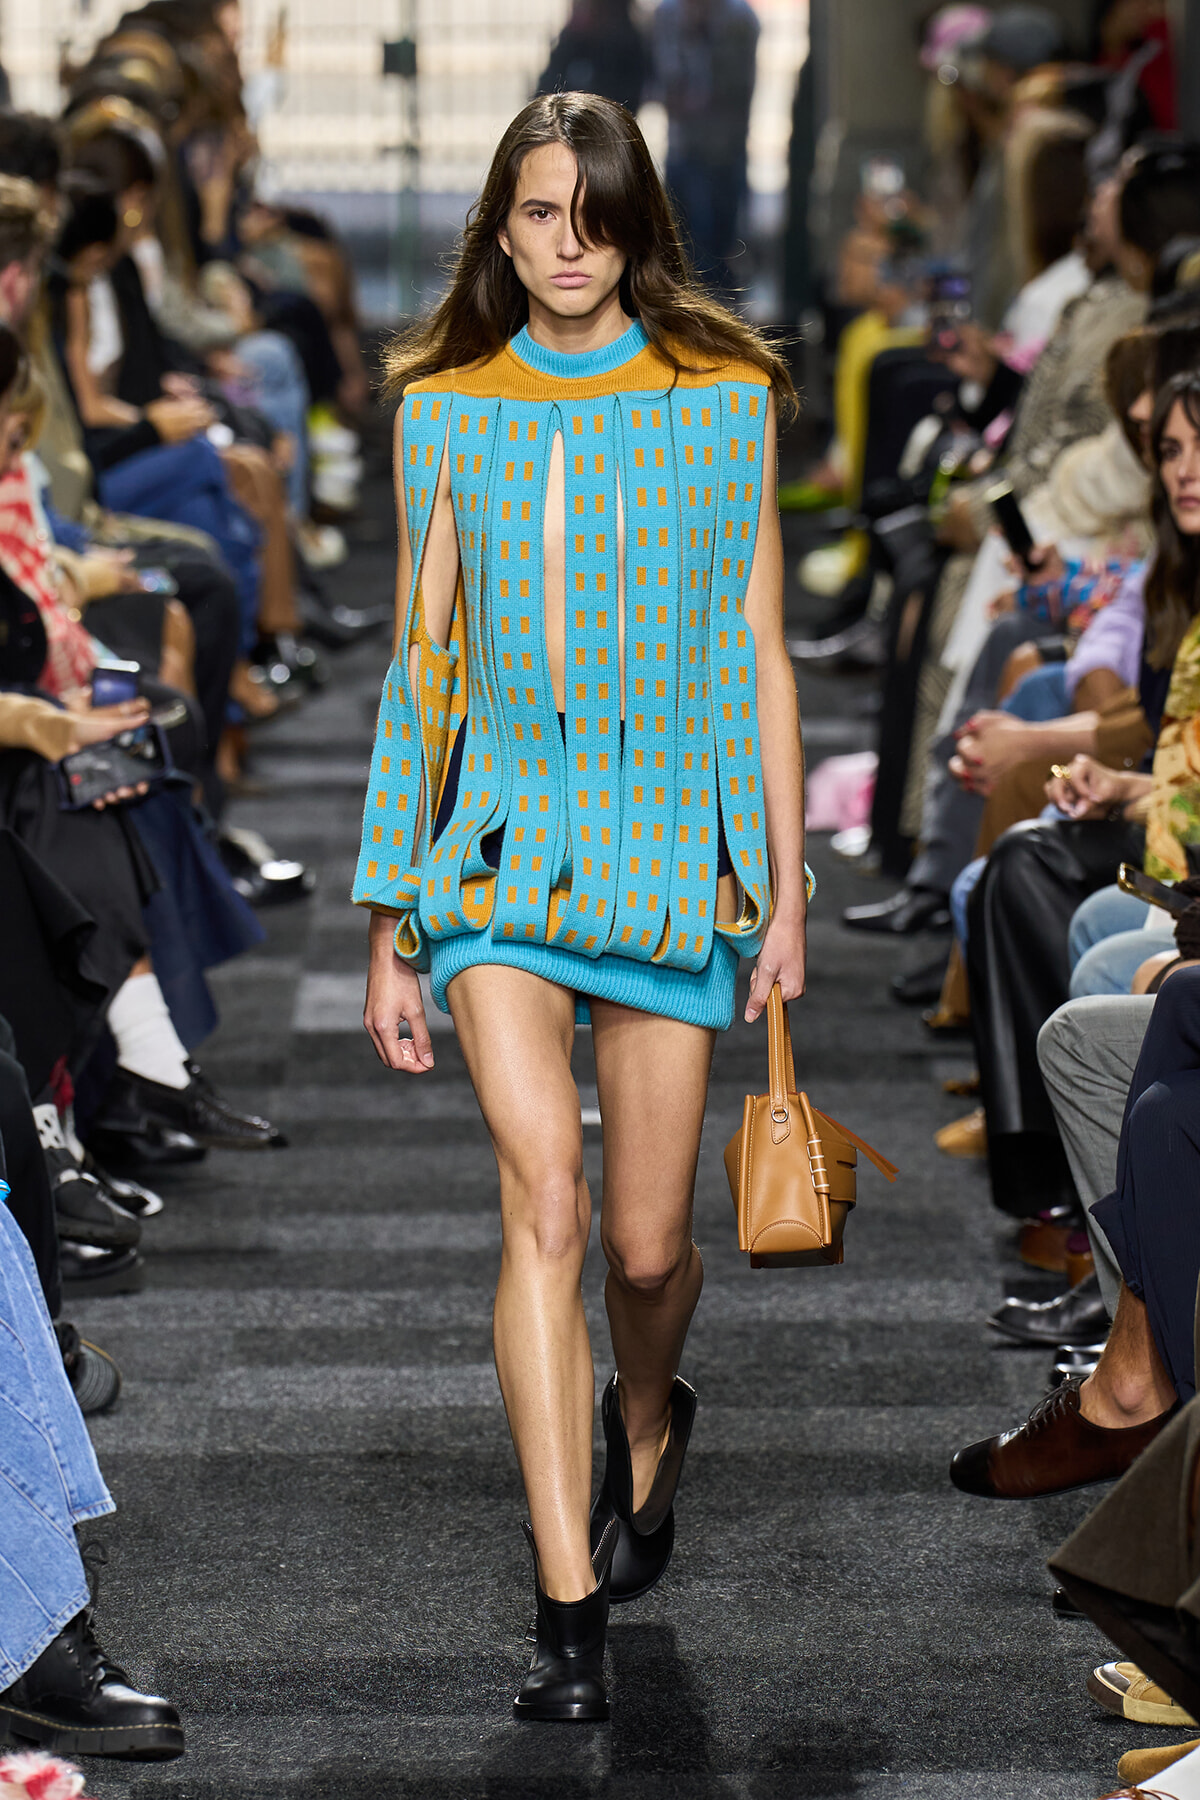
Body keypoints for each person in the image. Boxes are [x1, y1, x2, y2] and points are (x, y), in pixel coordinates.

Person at [358, 91, 808, 1723]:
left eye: (594, 215)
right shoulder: (445, 413)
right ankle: (567, 1613)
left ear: (634, 228)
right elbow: (430, 669)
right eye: (539, 213)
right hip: (499, 842)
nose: (566, 245)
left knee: (640, 1246)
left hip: (673, 845)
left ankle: (647, 1410)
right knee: (543, 1205)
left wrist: (781, 889)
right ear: (498, 226)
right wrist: (392, 919)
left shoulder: (725, 399)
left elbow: (757, 650)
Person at [651, 0, 760, 290]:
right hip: (682, 148)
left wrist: (703, 34)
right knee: (681, 247)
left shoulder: (739, 19)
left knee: (723, 250)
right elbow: (662, 80)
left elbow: (735, 88)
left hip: (725, 151)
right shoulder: (666, 15)